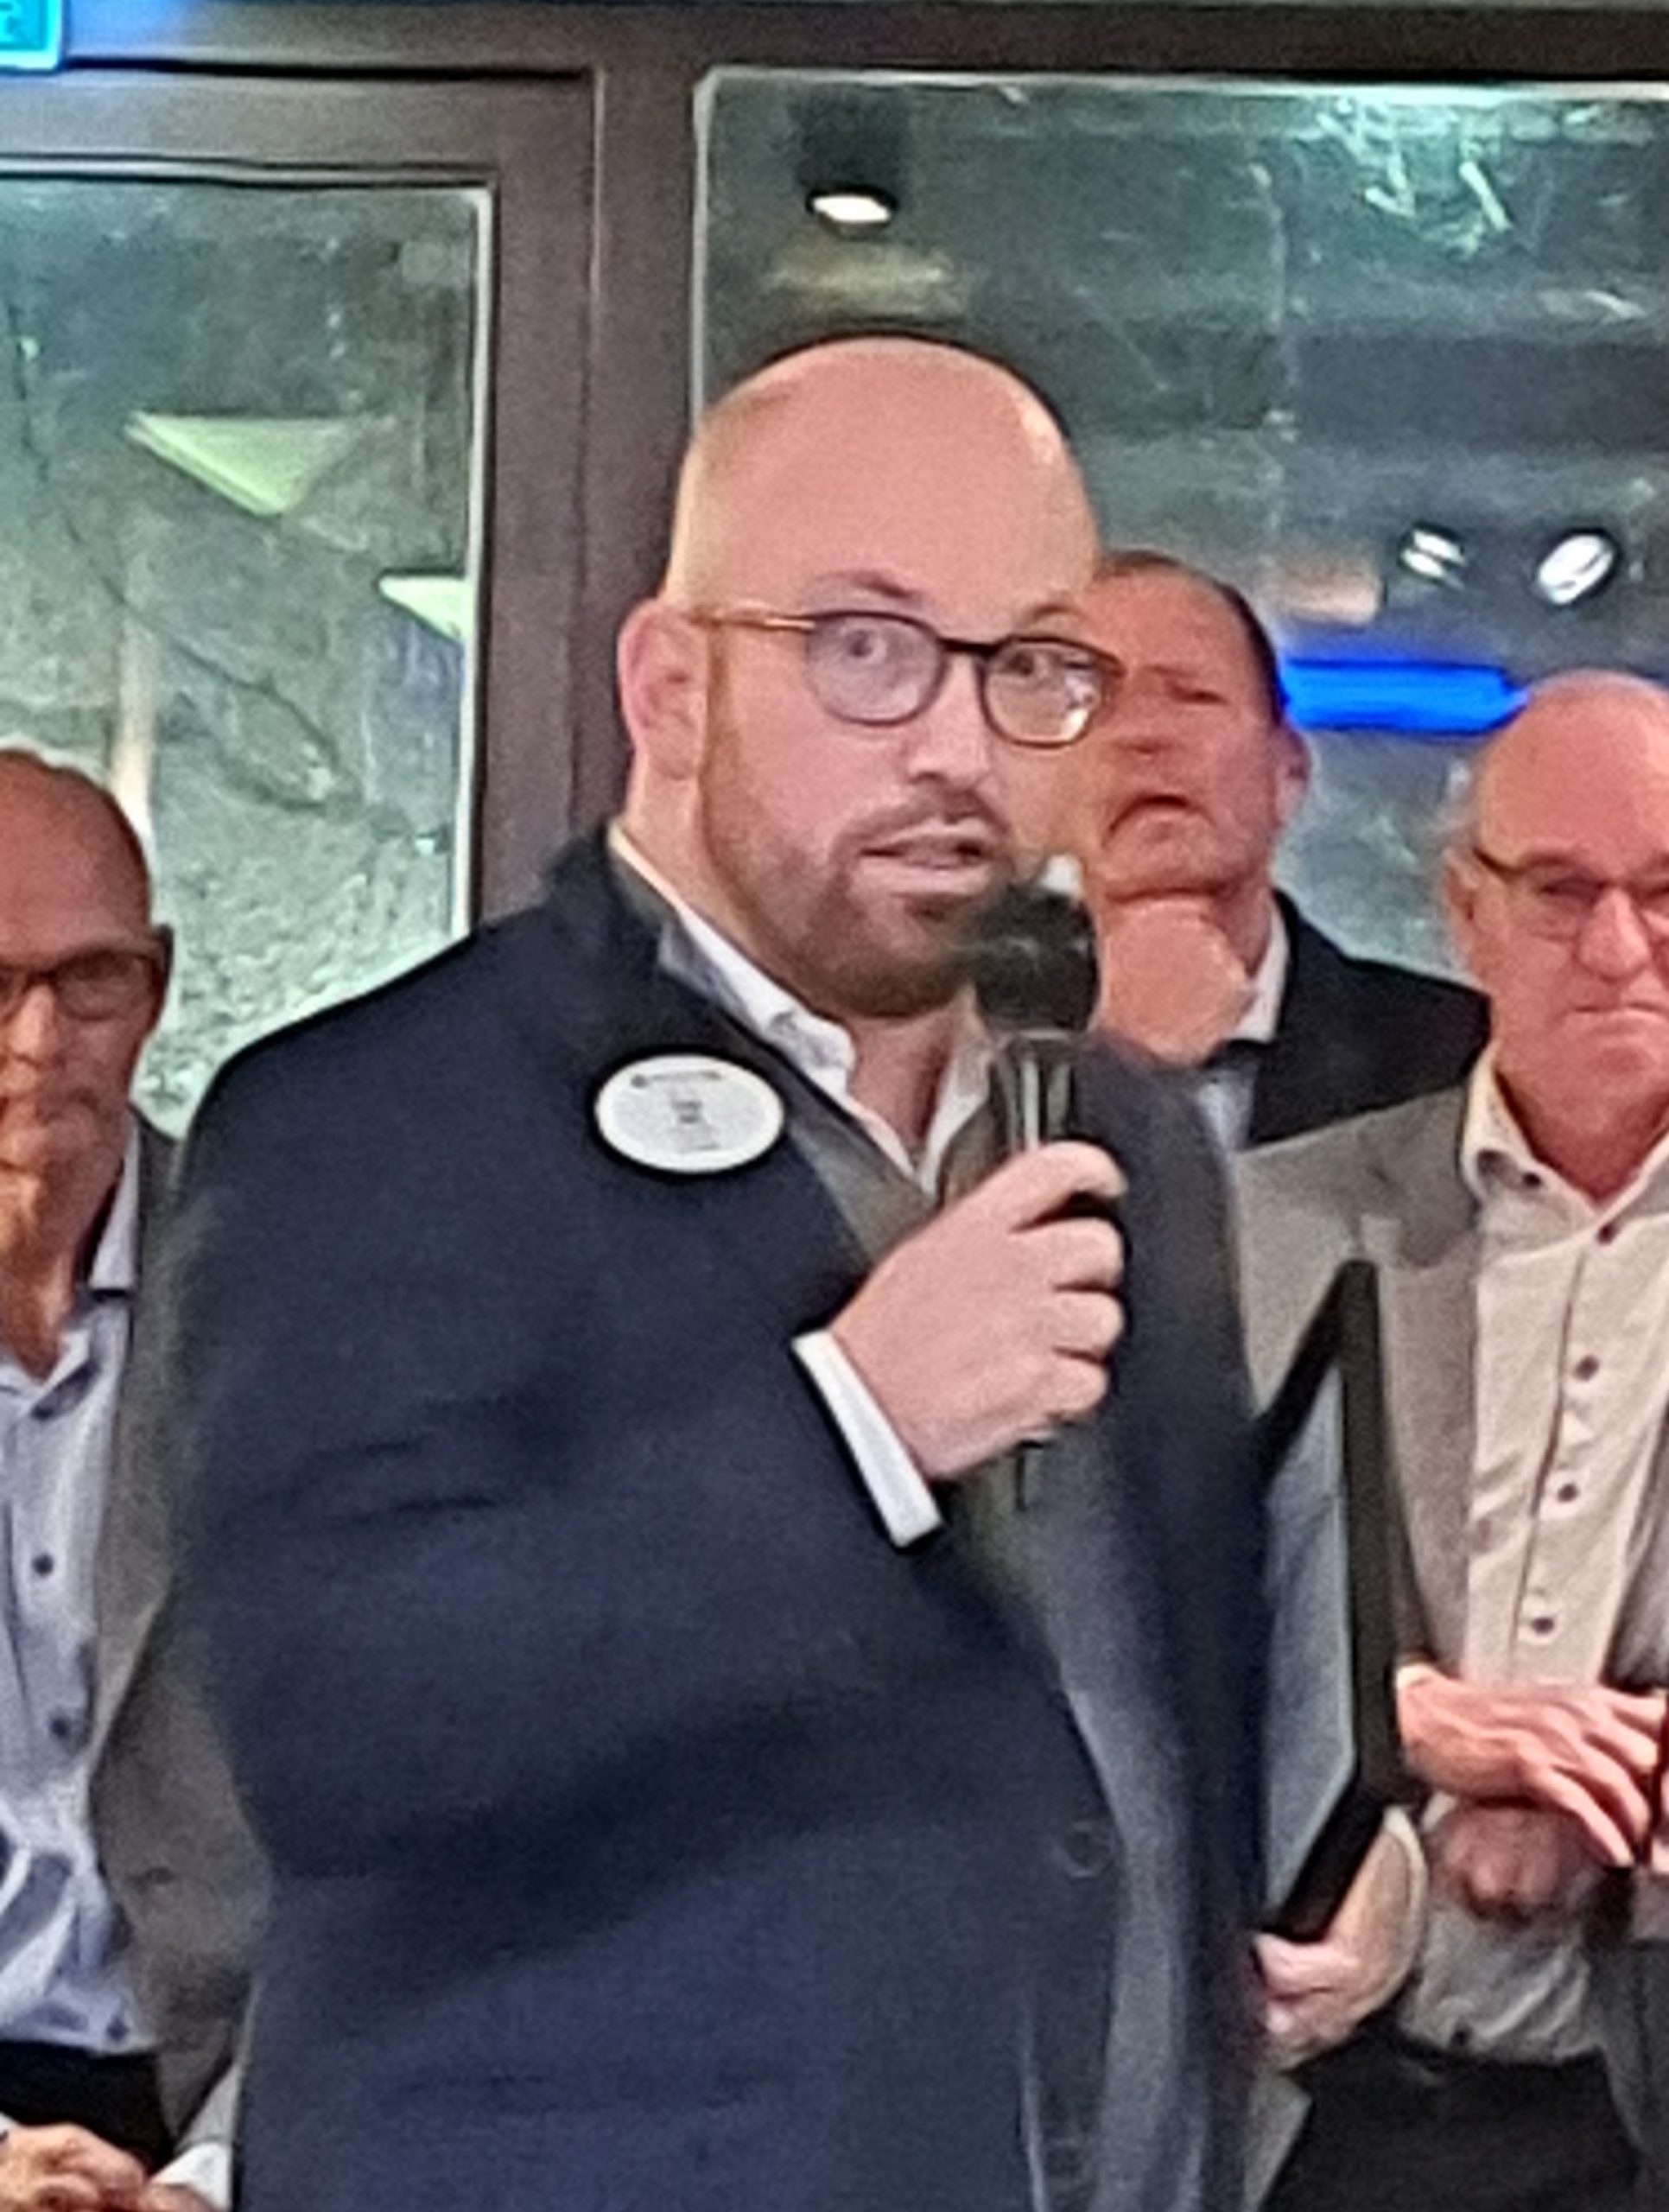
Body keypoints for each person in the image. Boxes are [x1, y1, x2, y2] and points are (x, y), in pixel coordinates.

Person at [156, 337, 1264, 2212]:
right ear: (668, 684)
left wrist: (1317, 1870)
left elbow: (1135, 1700)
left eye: (1032, 666)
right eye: (865, 648)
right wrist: (850, 1433)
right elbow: (333, 1726)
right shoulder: (377, 1121)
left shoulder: (1121, 1137)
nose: (958, 747)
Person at [1235, 671, 1669, 2211]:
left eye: (1666, 893)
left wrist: (1603, 1793)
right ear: (1463, 911)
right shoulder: (1272, 1223)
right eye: (1560, 892)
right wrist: (1399, 1728)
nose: (1619, 949)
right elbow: (1146, 1638)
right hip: (1311, 2088)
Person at [0, 753, 258, 2212]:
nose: (41, 1041)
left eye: (89, 982)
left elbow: (410, 1797)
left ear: (155, 992)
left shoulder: (301, 1301)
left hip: (242, 2099)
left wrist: (215, 2176)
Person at [1006, 551, 1486, 1149]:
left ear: (1288, 773)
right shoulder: (973, 1054)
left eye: (1192, 696)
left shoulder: (1458, 1060)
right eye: (1090, 702)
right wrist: (1122, 1064)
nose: (1143, 735)